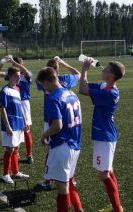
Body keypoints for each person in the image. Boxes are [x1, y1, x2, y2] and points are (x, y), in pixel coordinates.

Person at [79, 59, 125, 212]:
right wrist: (82, 72)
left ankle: (117, 209)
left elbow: (83, 90)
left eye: (105, 70)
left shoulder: (109, 93)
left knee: (103, 175)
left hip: (104, 136)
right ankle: (116, 207)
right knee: (108, 171)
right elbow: (85, 85)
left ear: (111, 76)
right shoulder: (108, 87)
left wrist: (85, 69)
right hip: (107, 134)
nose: (102, 70)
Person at [37, 67, 84, 212]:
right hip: (74, 144)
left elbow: (57, 126)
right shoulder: (72, 93)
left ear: (46, 82)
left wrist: (45, 134)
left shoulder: (53, 97)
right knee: (69, 181)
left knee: (62, 188)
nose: (44, 88)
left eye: (43, 85)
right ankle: (79, 209)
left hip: (62, 146)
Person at [0, 56, 34, 164]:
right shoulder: (12, 76)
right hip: (12, 102)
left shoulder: (26, 74)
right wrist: (2, 62)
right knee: (16, 130)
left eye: (16, 65)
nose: (15, 67)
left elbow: (27, 72)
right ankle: (16, 151)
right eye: (13, 66)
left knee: (26, 130)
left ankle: (29, 154)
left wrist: (13, 62)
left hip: (23, 103)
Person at [0, 66, 29, 184]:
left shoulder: (17, 89)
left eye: (19, 76)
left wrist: (25, 121)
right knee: (9, 149)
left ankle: (15, 172)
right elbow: (3, 109)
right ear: (10, 77)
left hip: (19, 124)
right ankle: (6, 174)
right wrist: (7, 125)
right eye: (16, 76)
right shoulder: (4, 91)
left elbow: (20, 107)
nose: (19, 78)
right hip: (10, 124)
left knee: (16, 147)